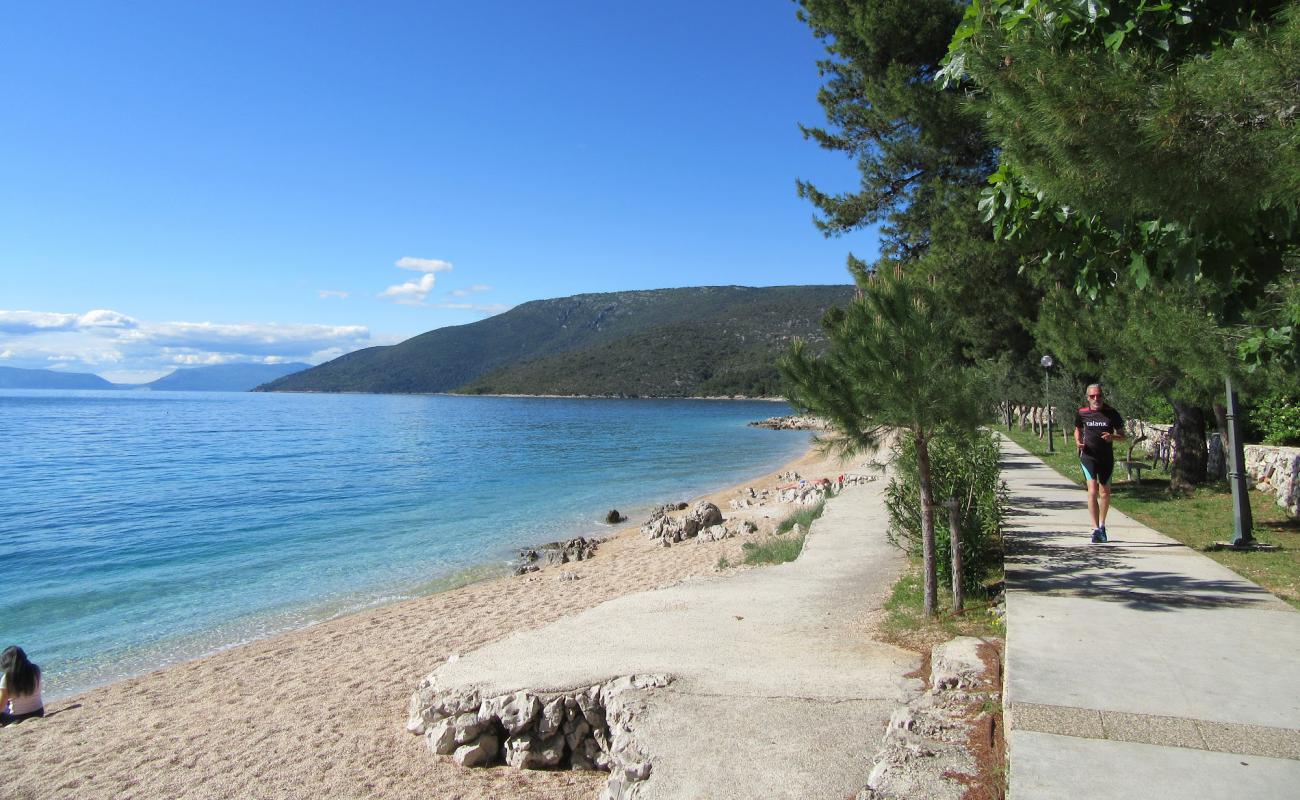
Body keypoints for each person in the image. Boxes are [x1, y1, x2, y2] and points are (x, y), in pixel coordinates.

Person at [1073, 384, 1126, 543]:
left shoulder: (1112, 413)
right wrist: (1077, 441)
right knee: (1092, 491)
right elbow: (1077, 429)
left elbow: (1123, 435)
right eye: (1093, 396)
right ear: (1088, 398)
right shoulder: (1082, 413)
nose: (1096, 399)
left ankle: (1102, 525)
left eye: (1099, 395)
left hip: (1106, 458)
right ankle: (1095, 528)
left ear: (1103, 396)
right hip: (1088, 457)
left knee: (1105, 493)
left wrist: (1113, 437)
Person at [0, 645, 44, 725]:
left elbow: (1, 707)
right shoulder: (36, 669)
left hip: (17, 718)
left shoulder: (7, 678)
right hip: (38, 712)